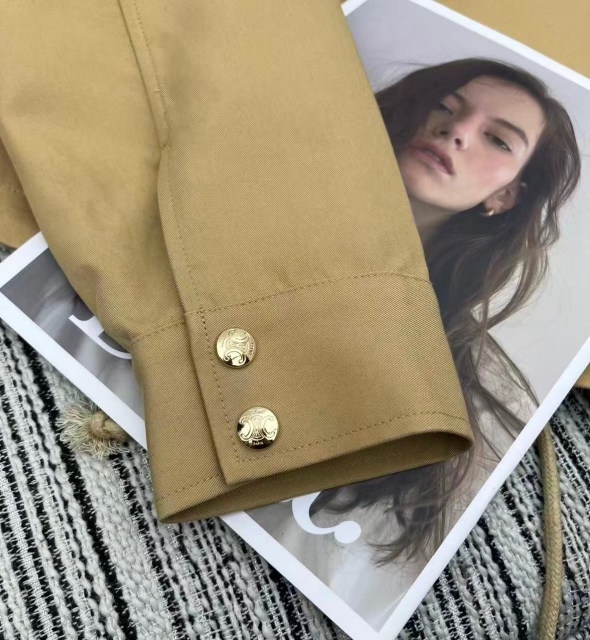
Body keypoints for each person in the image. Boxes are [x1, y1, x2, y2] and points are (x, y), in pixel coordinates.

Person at [247, 57, 581, 627]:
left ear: (506, 196)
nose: (457, 131)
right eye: (446, 108)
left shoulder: (476, 391)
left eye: (498, 140)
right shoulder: (257, 188)